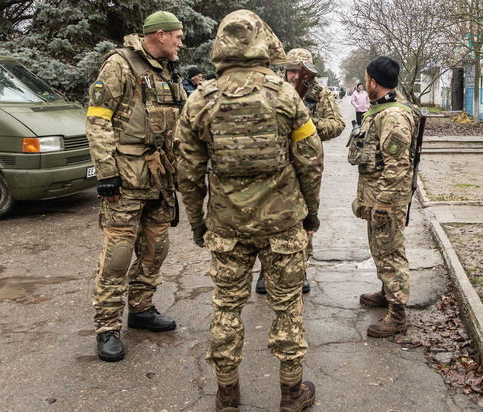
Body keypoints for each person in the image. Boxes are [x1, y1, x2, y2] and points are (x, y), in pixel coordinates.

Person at [175, 10, 323, 412]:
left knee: (226, 306)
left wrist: (196, 221)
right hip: (283, 224)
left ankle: (227, 394)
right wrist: (310, 213)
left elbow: (186, 170)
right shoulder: (284, 95)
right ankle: (292, 394)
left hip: (226, 226)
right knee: (288, 305)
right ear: (262, 43)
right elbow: (310, 159)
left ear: (221, 46)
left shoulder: (200, 99)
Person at [86, 10, 186, 362]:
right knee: (118, 255)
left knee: (156, 247)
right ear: (159, 35)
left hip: (159, 176)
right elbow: (97, 119)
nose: (181, 42)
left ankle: (141, 309)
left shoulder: (167, 70)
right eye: (177, 35)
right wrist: (106, 172)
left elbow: (178, 124)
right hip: (125, 177)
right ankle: (107, 327)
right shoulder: (120, 64)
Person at [255, 47, 345, 296]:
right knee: (270, 216)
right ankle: (266, 270)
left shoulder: (321, 95)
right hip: (275, 164)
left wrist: (304, 123)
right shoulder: (274, 92)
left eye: (297, 71)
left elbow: (338, 124)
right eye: (289, 70)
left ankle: (300, 269)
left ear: (308, 72)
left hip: (307, 164)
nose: (292, 76)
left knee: (305, 216)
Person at [347, 55, 419, 338]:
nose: (365, 82)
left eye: (366, 78)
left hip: (386, 199)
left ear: (373, 82)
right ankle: (388, 293)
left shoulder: (394, 115)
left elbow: (398, 165)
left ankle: (398, 314)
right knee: (380, 249)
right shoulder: (381, 110)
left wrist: (384, 203)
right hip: (377, 196)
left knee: (391, 253)